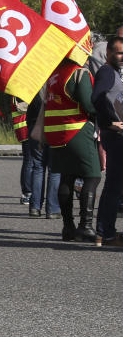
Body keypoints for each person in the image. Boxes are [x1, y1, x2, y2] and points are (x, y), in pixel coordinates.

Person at [44, 57, 101, 242]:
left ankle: (68, 227)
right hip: (76, 129)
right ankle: (85, 226)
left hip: (55, 132)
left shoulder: (54, 72)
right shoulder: (78, 72)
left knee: (66, 177)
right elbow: (88, 104)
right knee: (92, 176)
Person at [91, 35, 123, 247]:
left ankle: (106, 231)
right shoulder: (107, 72)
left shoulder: (113, 73)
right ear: (109, 53)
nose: (122, 56)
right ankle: (106, 232)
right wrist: (110, 123)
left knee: (114, 185)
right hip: (115, 136)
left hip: (115, 135)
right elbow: (97, 98)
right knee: (114, 185)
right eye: (119, 52)